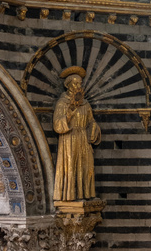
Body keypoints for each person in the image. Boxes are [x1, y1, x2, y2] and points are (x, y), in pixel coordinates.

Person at [53, 66, 101, 203]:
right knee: (71, 166)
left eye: (80, 83)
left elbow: (91, 121)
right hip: (69, 138)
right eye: (76, 83)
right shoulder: (63, 103)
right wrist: (70, 112)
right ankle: (70, 195)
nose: (78, 86)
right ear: (68, 85)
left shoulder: (85, 104)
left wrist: (93, 128)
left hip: (83, 139)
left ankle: (86, 194)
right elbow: (57, 125)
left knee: (87, 167)